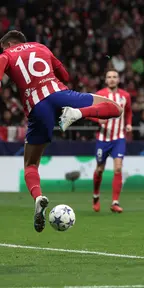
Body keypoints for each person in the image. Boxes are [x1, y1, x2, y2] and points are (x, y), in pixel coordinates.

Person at [0, 30, 123, 233]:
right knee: (115, 108)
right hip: (61, 95)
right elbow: (64, 75)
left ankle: (38, 197)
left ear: (10, 44)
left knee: (31, 164)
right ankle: (78, 113)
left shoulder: (6, 55)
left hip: (37, 107)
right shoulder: (42, 47)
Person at [89, 69, 132, 213]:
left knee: (118, 168)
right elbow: (88, 111)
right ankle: (96, 196)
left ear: (118, 79)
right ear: (105, 80)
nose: (112, 79)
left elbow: (129, 112)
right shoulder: (100, 95)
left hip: (119, 138)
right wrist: (97, 119)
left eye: (114, 77)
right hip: (103, 138)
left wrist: (128, 123)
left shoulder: (125, 96)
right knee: (100, 170)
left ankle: (115, 202)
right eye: (109, 77)